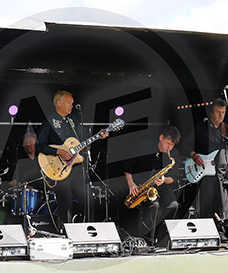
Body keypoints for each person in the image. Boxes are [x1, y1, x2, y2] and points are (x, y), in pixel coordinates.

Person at [36, 90, 106, 232]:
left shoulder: (73, 120)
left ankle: (89, 232)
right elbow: (39, 145)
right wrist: (59, 151)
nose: (72, 106)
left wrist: (97, 136)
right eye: (69, 103)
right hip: (60, 170)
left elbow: (84, 139)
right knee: (65, 204)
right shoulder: (50, 121)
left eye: (73, 103)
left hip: (77, 169)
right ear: (59, 103)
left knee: (89, 201)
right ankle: (66, 234)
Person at [188, 98, 228, 244]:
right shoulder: (200, 127)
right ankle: (205, 232)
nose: (221, 115)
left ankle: (221, 232)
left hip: (222, 173)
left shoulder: (227, 130)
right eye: (218, 112)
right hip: (204, 172)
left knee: (224, 203)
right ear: (211, 113)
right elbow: (186, 144)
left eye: (223, 112)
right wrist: (193, 155)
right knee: (206, 203)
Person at [123, 126, 181, 245]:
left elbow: (174, 178)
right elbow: (127, 165)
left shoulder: (173, 154)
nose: (170, 147)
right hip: (141, 184)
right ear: (161, 138)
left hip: (160, 184)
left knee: (174, 205)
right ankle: (147, 241)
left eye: (172, 145)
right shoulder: (144, 146)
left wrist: (164, 179)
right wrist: (131, 183)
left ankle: (161, 238)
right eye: (168, 143)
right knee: (154, 205)